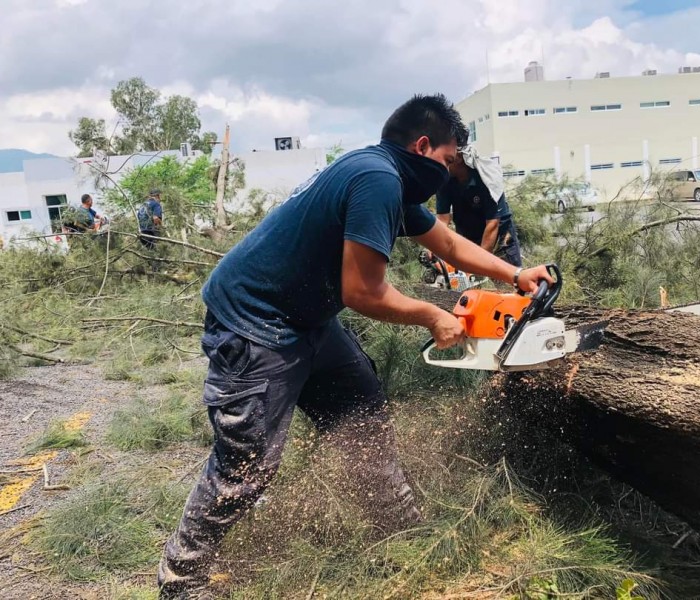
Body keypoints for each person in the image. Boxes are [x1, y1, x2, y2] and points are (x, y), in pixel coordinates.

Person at [156, 94, 553, 598]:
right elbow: (362, 292)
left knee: (361, 411)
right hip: (254, 324)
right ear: (424, 145)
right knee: (247, 461)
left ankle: (397, 526)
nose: (450, 173)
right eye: (449, 161)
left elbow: (448, 244)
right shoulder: (376, 178)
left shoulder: (387, 175)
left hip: (309, 321)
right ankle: (181, 578)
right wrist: (434, 316)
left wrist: (517, 273)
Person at [435, 150, 522, 266]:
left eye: (446, 159)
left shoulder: (486, 179)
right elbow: (442, 219)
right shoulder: (446, 180)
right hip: (468, 233)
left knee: (506, 278)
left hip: (498, 236)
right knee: (465, 278)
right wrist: (434, 250)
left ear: (459, 157)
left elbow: (492, 225)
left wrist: (479, 264)